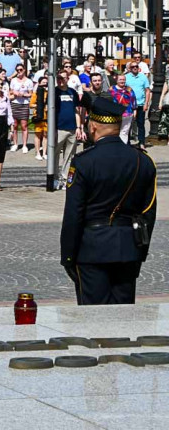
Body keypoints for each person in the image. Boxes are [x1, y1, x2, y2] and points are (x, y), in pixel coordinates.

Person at [60, 97, 157, 306]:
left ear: (93, 126)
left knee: (94, 318)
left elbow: (74, 213)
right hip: (128, 248)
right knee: (123, 316)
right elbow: (148, 212)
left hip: (92, 248)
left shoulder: (84, 162)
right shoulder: (143, 161)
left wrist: (68, 256)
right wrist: (139, 249)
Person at [124, 61, 151, 150]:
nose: (135, 68)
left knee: (141, 124)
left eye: (136, 66)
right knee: (128, 124)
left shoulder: (143, 77)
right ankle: (126, 142)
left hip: (140, 104)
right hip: (129, 105)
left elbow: (147, 91)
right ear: (130, 68)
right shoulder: (126, 77)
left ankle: (141, 142)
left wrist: (146, 103)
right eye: (133, 67)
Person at [8, 64, 34, 153]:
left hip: (24, 104)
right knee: (14, 125)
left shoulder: (29, 81)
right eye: (17, 70)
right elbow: (10, 91)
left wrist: (23, 94)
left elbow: (31, 93)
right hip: (15, 103)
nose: (19, 71)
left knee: (24, 125)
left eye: (21, 69)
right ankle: (15, 144)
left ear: (24, 70)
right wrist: (14, 92)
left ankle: (24, 145)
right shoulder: (14, 80)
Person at [110, 72, 137, 146]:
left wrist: (134, 111)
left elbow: (133, 100)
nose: (122, 81)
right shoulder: (111, 89)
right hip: (114, 114)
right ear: (117, 80)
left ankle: (123, 147)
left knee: (124, 132)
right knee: (114, 131)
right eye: (120, 79)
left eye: (124, 80)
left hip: (127, 114)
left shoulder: (129, 89)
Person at [30, 75, 49, 161]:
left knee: (46, 135)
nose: (45, 85)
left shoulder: (49, 93)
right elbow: (31, 104)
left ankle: (44, 153)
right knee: (38, 135)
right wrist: (39, 105)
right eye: (43, 83)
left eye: (46, 83)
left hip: (47, 117)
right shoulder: (36, 93)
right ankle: (38, 153)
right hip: (38, 116)